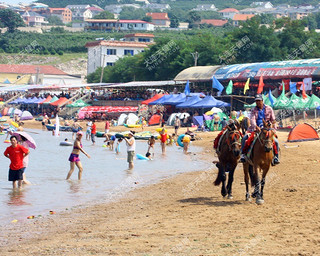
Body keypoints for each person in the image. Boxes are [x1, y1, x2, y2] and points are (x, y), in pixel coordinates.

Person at [240, 94, 280, 165]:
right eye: (256, 101)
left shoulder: (269, 109)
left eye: (259, 101)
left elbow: (273, 120)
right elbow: (252, 119)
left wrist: (272, 126)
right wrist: (256, 126)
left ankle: (276, 157)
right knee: (245, 138)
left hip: (267, 130)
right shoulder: (253, 110)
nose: (258, 102)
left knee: (276, 141)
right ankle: (243, 155)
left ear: (262, 101)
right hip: (256, 130)